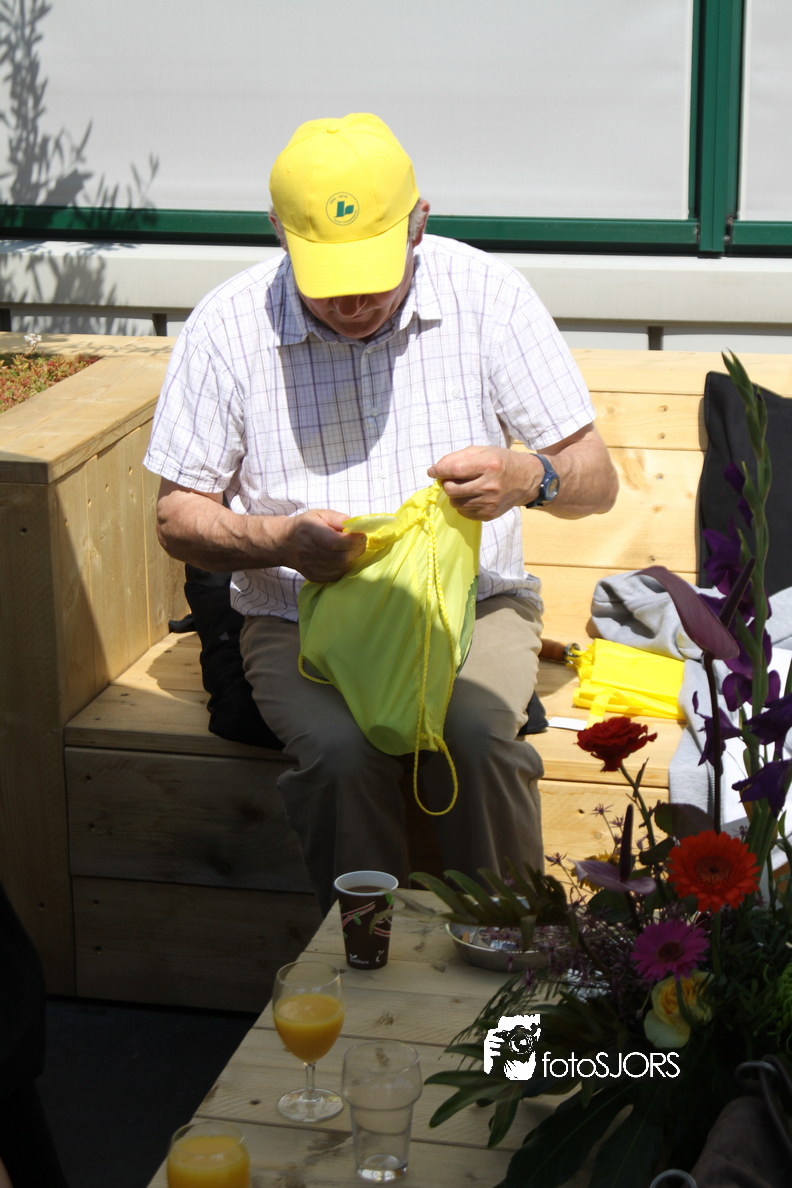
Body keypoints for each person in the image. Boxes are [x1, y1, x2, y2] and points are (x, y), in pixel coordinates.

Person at [144, 112, 618, 913]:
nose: (354, 300)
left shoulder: (488, 295)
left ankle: (508, 953)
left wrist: (528, 475)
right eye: (328, 278)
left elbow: (597, 481)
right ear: (278, 233)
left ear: (419, 224)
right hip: (298, 614)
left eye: (373, 270)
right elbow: (176, 518)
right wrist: (279, 540)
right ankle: (366, 961)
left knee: (476, 738)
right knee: (338, 755)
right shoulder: (226, 325)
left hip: (473, 606)